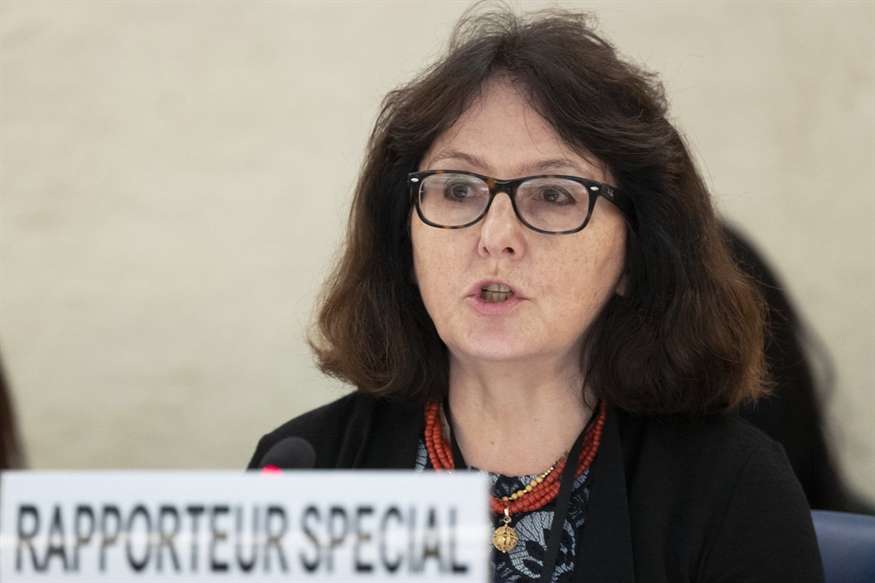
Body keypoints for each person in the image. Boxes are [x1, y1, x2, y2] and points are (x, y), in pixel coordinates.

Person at [249, 6, 823, 581]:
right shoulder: (305, 466)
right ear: (407, 240)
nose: (496, 237)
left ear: (633, 255)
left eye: (553, 195)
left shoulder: (731, 490)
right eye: (458, 189)